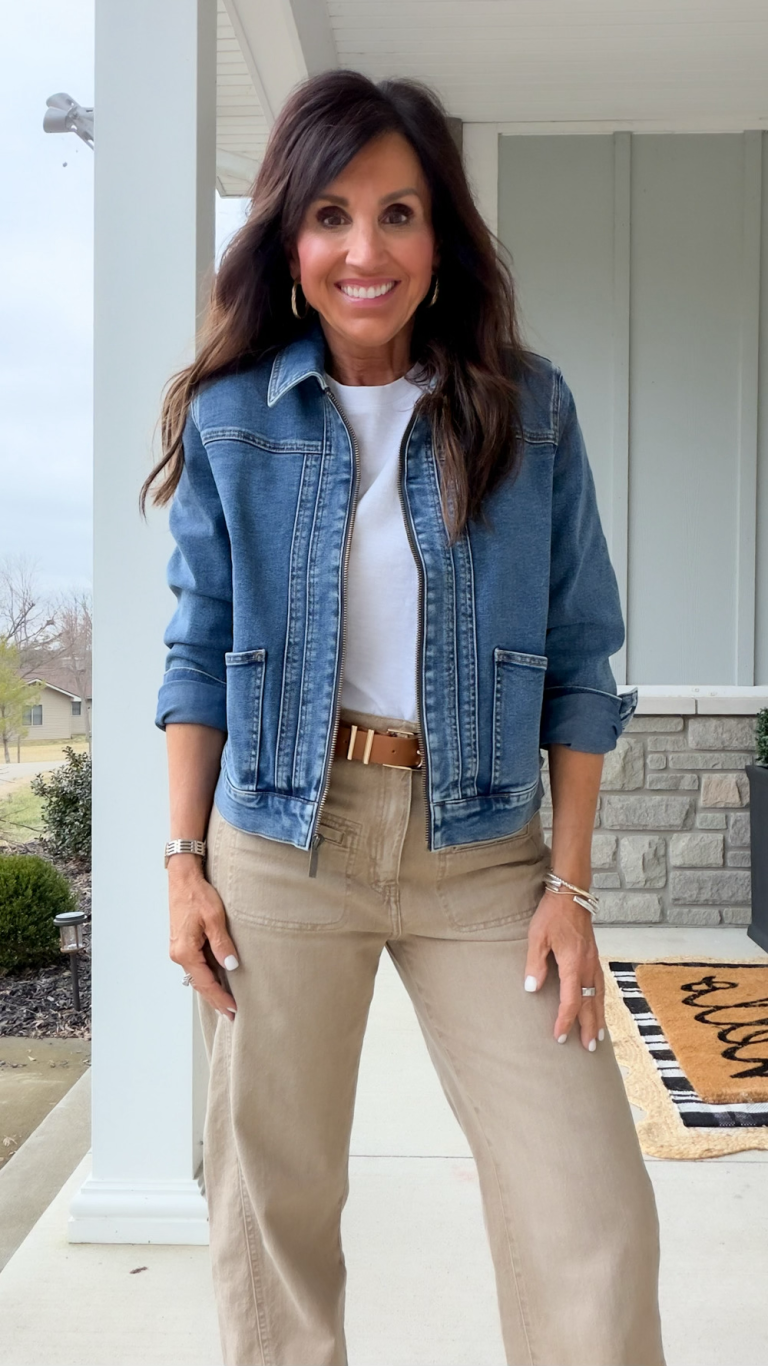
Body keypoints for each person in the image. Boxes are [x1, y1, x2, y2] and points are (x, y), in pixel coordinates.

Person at [142, 70, 665, 1366]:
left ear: (442, 239)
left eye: (397, 213)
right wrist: (182, 861)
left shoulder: (528, 411)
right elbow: (196, 654)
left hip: (482, 847)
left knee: (589, 1210)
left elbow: (585, 658)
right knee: (274, 1212)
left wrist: (572, 884)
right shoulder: (230, 420)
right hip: (277, 836)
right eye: (329, 216)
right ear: (290, 240)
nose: (362, 250)